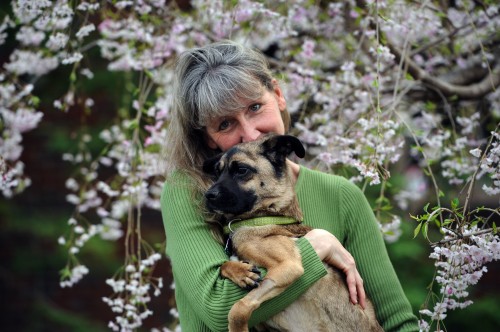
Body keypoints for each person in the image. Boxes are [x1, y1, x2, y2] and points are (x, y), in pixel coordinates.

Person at [160, 40, 419, 331]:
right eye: (225, 124)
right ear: (209, 138)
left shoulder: (341, 196)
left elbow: (397, 322)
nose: (249, 133)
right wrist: (316, 246)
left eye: (255, 107)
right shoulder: (190, 191)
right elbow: (219, 312)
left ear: (279, 95)